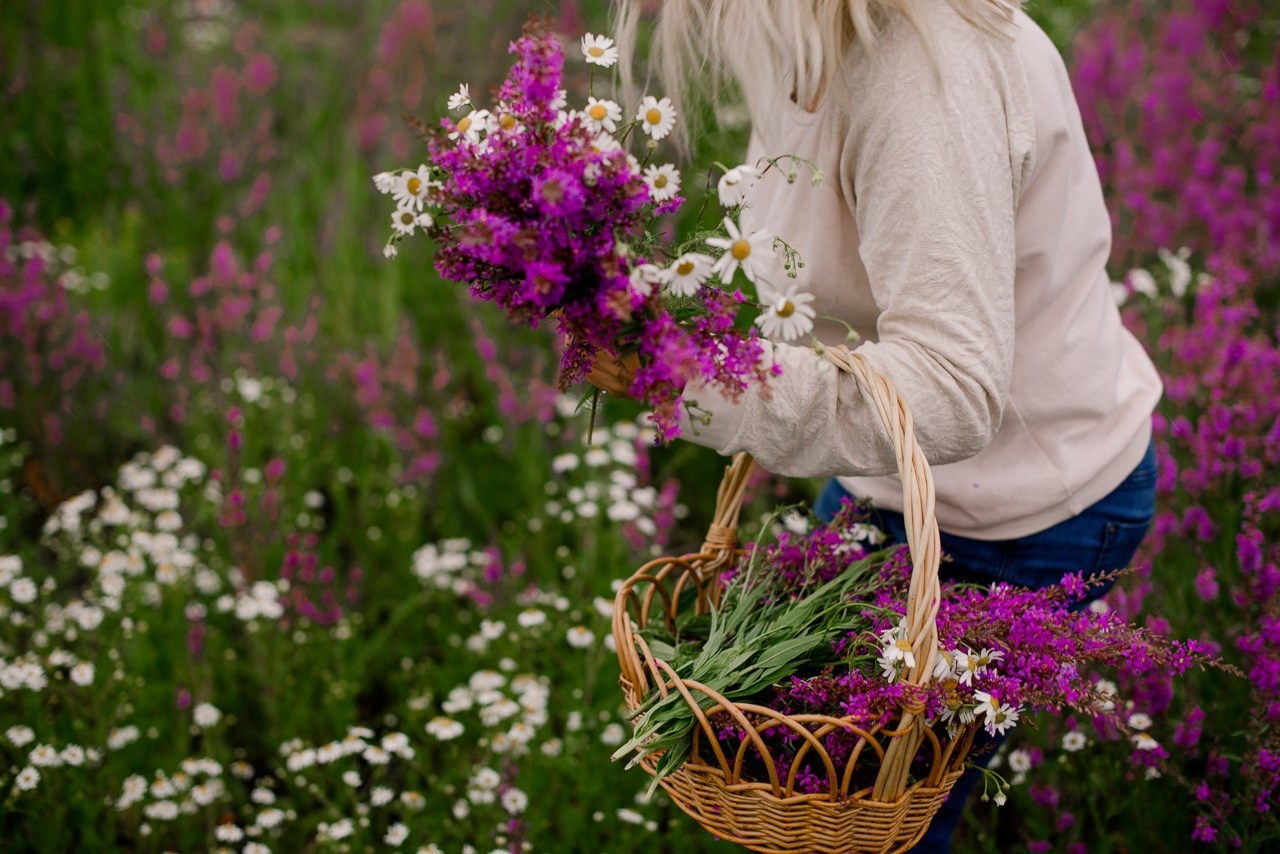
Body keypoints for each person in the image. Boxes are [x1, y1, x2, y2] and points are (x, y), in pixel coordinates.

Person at [590, 1, 1163, 850]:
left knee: (864, 819)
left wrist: (698, 379)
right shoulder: (809, 28)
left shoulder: (923, 73)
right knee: (799, 778)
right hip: (897, 480)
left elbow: (950, 389)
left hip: (1026, 509)